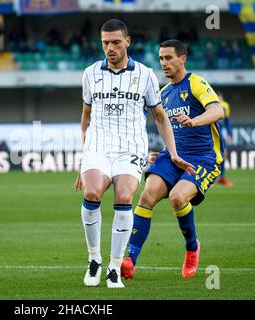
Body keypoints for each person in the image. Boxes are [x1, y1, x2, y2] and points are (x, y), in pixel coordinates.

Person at [74, 20, 194, 289]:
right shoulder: (90, 73)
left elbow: (160, 117)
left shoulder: (146, 74)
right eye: (105, 42)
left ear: (127, 41)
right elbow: (85, 116)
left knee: (124, 196)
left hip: (130, 147)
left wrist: (172, 152)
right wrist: (83, 155)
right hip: (98, 146)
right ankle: (94, 260)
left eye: (116, 42)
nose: (110, 48)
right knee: (91, 193)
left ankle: (114, 266)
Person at [121, 39, 225, 280]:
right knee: (147, 196)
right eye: (160, 59)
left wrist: (194, 121)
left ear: (182, 58)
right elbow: (162, 126)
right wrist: (163, 150)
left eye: (168, 58)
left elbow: (217, 111)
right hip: (173, 156)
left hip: (203, 158)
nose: (163, 63)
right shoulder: (164, 93)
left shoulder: (197, 83)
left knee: (178, 197)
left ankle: (191, 247)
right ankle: (130, 260)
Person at [217, 92, 234, 186]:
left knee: (223, 154)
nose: (219, 99)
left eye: (220, 98)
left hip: (219, 133)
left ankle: (222, 177)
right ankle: (210, 178)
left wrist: (229, 133)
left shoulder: (225, 105)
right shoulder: (210, 104)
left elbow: (227, 120)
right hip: (209, 133)